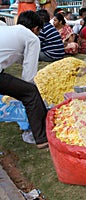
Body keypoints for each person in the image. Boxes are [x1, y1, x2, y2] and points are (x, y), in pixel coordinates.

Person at [0, 10, 48, 148]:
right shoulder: (32, 37)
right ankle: (41, 138)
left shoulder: (7, 29)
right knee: (30, 93)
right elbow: (28, 75)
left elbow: (19, 57)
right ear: (36, 29)